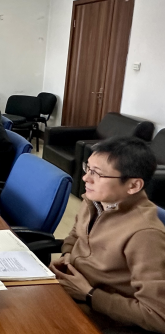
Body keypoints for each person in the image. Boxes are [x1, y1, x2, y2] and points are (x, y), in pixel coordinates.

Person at [49, 137, 165, 333]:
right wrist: (67, 255)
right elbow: (76, 234)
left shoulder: (145, 235)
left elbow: (157, 316)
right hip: (68, 290)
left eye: (97, 173)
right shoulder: (95, 201)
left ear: (133, 186)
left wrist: (90, 294)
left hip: (101, 316)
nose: (86, 178)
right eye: (88, 168)